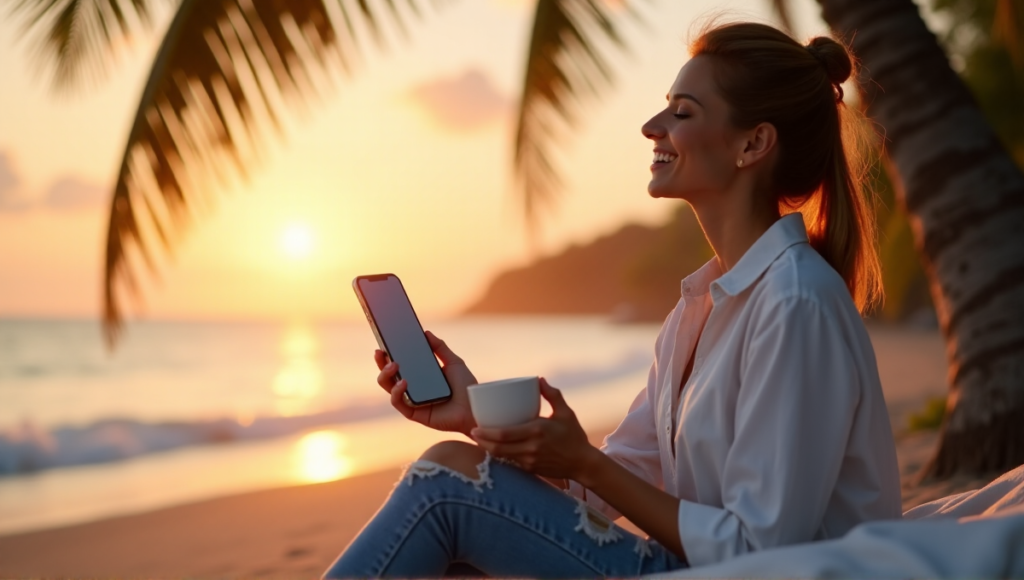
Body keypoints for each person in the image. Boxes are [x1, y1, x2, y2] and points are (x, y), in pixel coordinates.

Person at [323, 21, 901, 579]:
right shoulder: (696, 310)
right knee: (457, 499)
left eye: (682, 112)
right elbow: (603, 488)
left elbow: (760, 551)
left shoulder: (796, 302)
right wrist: (476, 414)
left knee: (443, 486)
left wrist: (584, 462)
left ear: (753, 143)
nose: (652, 126)